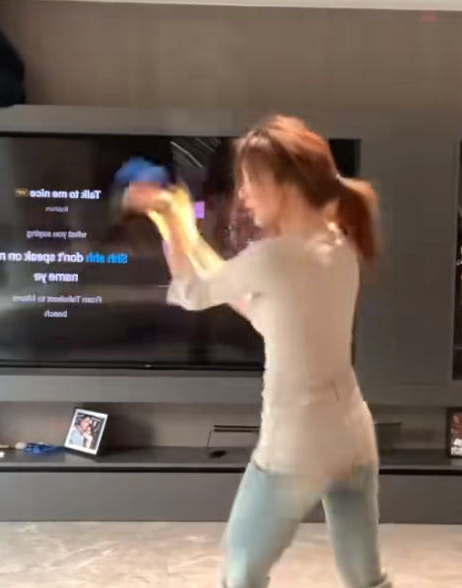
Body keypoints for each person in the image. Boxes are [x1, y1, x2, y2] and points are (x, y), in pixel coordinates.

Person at [123, 115, 391, 588]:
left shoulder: (274, 257)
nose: (243, 195)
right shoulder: (338, 243)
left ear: (283, 184)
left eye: (250, 181)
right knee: (365, 579)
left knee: (241, 573)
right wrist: (188, 231)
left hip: (295, 446)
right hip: (353, 438)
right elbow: (252, 302)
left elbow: (192, 292)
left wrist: (169, 217)